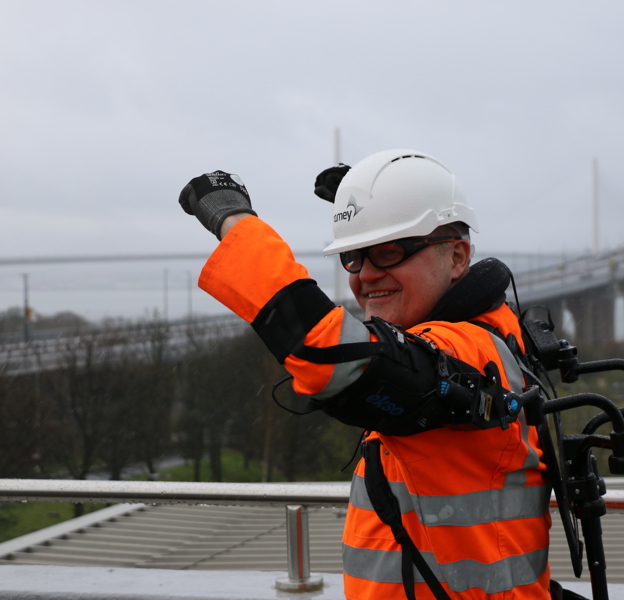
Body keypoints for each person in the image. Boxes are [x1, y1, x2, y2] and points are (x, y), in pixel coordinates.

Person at [179, 150, 553, 600]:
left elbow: (335, 358)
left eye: (390, 252)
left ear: (457, 257)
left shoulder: (468, 348)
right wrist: (367, 199)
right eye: (354, 256)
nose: (367, 275)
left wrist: (233, 220)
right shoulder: (490, 334)